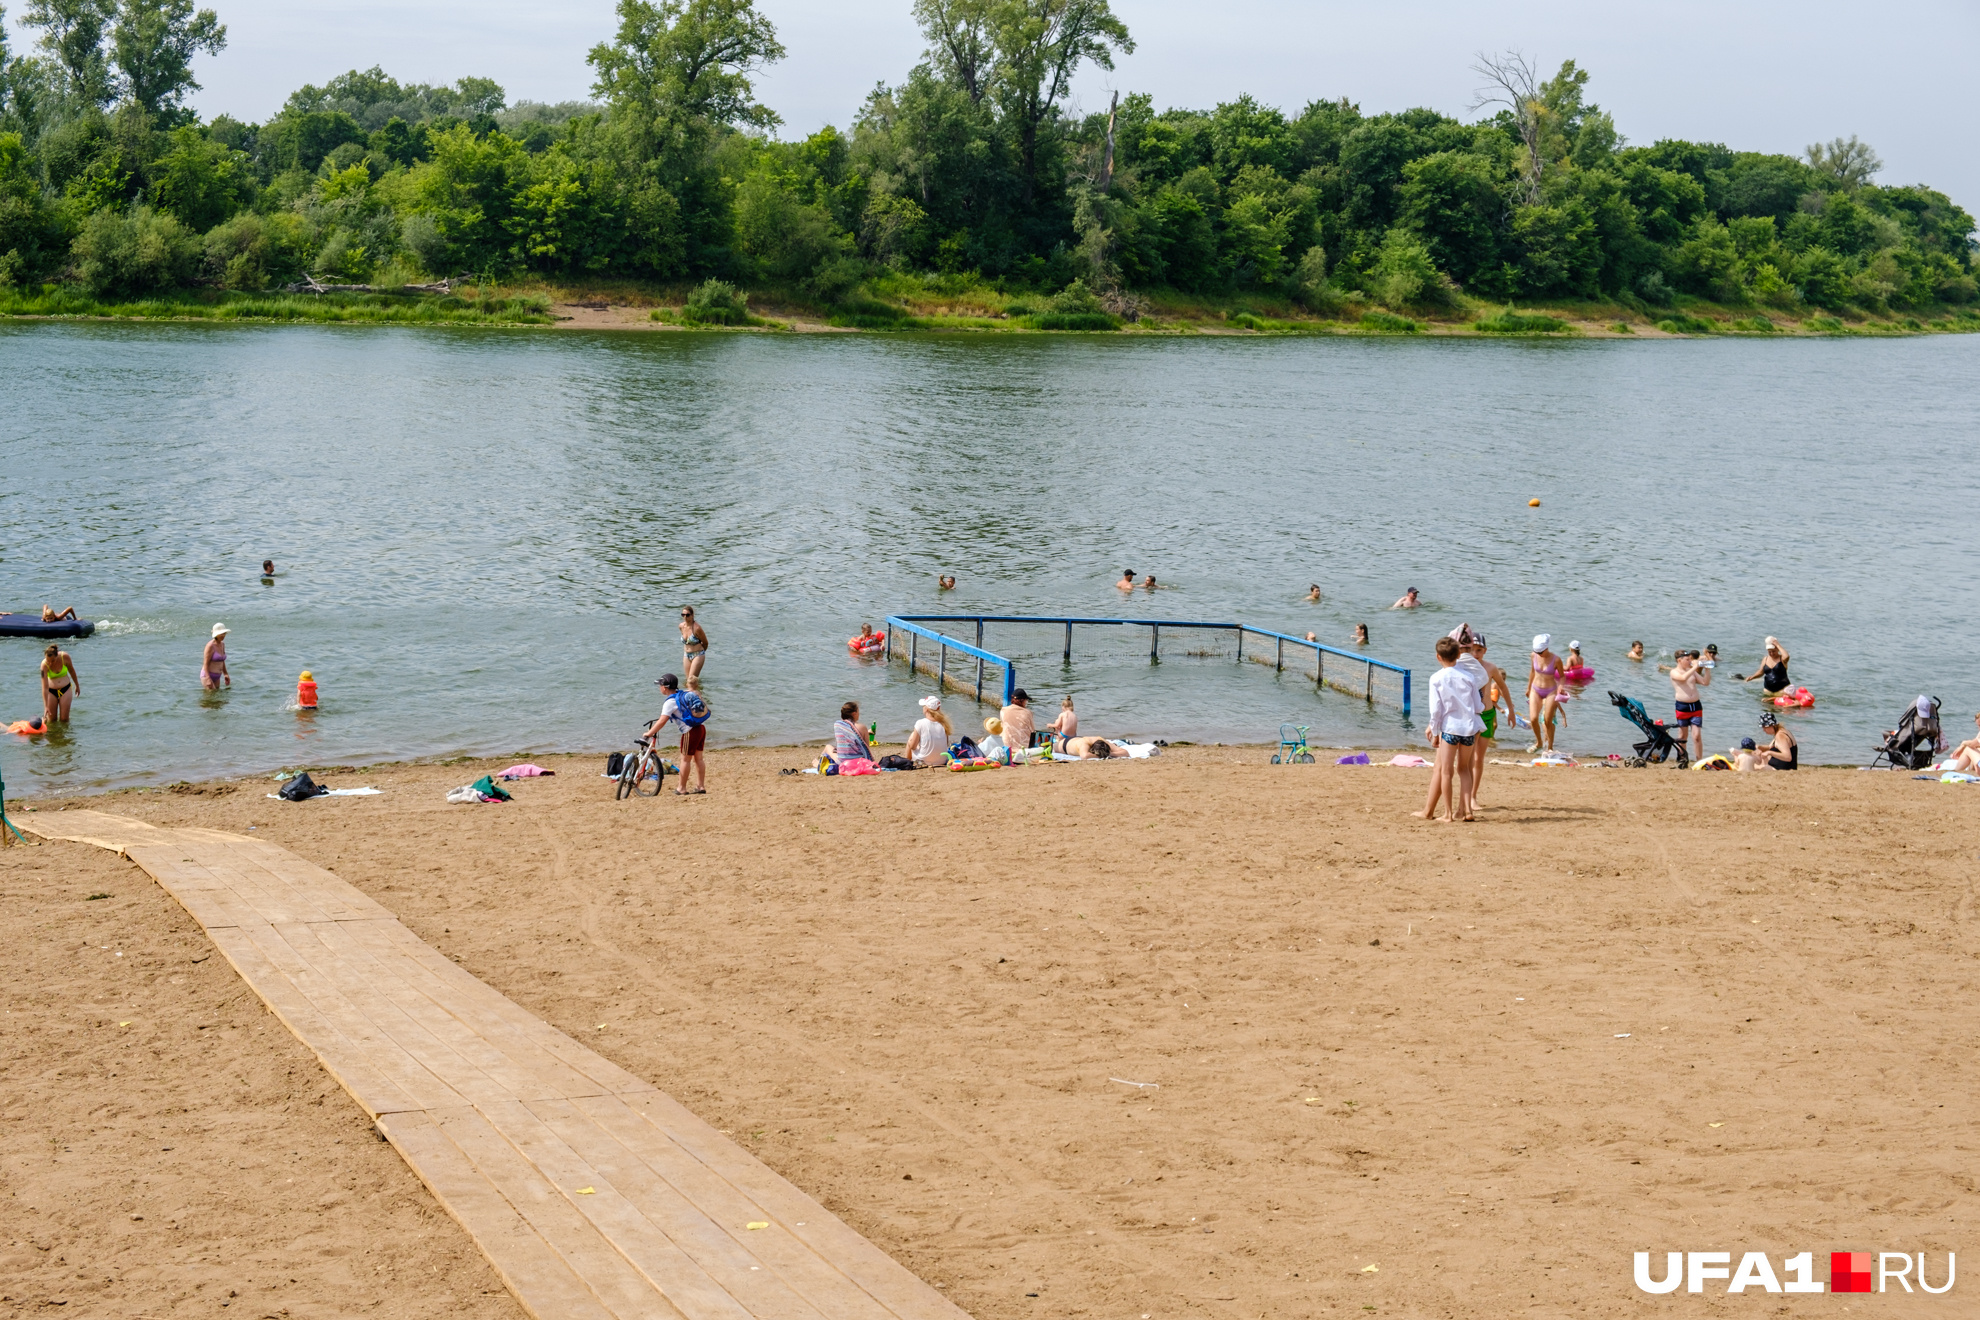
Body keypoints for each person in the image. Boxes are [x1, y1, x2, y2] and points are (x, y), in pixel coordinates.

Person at [1417, 637, 1480, 823]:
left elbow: (1436, 710)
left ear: (1438, 657)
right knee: (1464, 770)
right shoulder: (1469, 677)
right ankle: (1468, 810)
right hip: (1468, 729)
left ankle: (1448, 813)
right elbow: (1478, 706)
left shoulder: (1436, 678)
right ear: (1459, 654)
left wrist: (1435, 733)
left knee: (1446, 771)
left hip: (1450, 729)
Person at [646, 673, 709, 793]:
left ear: (664, 687)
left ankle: (681, 788)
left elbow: (662, 721)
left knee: (685, 760)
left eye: (660, 685)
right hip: (700, 728)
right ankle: (700, 786)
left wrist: (649, 733)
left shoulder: (669, 702)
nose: (659, 688)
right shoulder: (682, 694)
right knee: (699, 759)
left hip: (689, 731)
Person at [1658, 649, 1712, 763]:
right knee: (1683, 736)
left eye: (1690, 659)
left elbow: (1705, 683)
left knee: (1697, 736)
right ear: (1679, 660)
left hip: (1696, 706)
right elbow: (1683, 678)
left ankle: (1699, 761)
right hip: (1682, 706)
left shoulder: (1691, 670)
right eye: (1687, 659)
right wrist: (1694, 667)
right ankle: (1682, 758)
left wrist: (1707, 671)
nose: (1690, 661)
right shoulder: (1674, 672)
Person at [1525, 634, 1564, 754]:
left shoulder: (1556, 659)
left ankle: (1550, 747)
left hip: (1550, 690)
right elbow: (1532, 671)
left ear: (1546, 648)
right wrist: (1528, 688)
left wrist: (1561, 687)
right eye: (1536, 651)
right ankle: (1539, 743)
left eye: (1540, 652)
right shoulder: (1534, 656)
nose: (1539, 654)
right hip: (1535, 689)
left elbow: (1562, 676)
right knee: (1533, 718)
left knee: (1548, 720)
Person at [905, 695, 954, 767]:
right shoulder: (943, 723)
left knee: (912, 737)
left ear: (926, 709)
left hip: (924, 761)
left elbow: (912, 747)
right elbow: (945, 743)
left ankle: (907, 761)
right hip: (942, 760)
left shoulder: (920, 723)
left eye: (923, 706)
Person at [40, 642, 78, 725]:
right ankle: (53, 736)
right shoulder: (44, 665)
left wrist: (77, 686)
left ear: (57, 655)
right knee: (52, 720)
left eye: (53, 660)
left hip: (65, 689)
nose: (50, 663)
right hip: (51, 691)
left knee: (64, 720)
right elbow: (45, 687)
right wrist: (45, 706)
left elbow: (72, 671)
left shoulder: (65, 657)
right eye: (48, 661)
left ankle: (65, 737)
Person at [830, 701, 871, 766]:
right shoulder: (862, 727)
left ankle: (819, 763)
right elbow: (866, 748)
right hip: (859, 762)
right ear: (854, 714)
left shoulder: (837, 725)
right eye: (858, 712)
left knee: (828, 747)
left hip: (843, 762)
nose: (859, 714)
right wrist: (866, 733)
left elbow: (847, 736)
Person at [999, 688, 1035, 753]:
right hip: (1024, 750)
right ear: (1022, 700)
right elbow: (1033, 732)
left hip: (1007, 749)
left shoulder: (1003, 710)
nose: (1026, 703)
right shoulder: (1028, 713)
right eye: (1026, 701)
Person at [678, 607, 708, 683]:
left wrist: (700, 652)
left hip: (698, 655)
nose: (685, 617)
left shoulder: (697, 628)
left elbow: (705, 642)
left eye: (687, 615)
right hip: (686, 655)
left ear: (692, 615)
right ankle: (692, 693)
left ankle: (698, 694)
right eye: (683, 615)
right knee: (687, 680)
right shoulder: (681, 626)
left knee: (691, 681)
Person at [202, 623, 231, 690]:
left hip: (217, 676)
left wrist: (225, 674)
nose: (223, 636)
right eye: (221, 634)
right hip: (208, 675)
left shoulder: (222, 644)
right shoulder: (210, 646)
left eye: (224, 633)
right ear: (216, 634)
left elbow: (222, 660)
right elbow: (205, 663)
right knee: (210, 698)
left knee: (217, 699)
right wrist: (208, 678)